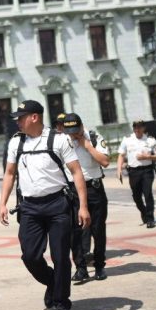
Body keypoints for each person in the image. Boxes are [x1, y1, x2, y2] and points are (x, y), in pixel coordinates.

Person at [0, 100, 90, 310]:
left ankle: (61, 304)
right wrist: (2, 203)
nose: (17, 121)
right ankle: (52, 282)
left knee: (60, 256)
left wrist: (83, 206)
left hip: (57, 205)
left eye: (21, 117)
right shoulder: (16, 143)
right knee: (30, 256)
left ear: (34, 117)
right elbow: (9, 174)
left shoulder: (58, 140)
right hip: (29, 207)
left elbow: (76, 172)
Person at [60, 114, 110, 282]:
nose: (74, 135)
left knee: (98, 230)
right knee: (75, 231)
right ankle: (81, 268)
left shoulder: (94, 137)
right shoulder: (63, 141)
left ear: (82, 126)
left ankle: (99, 266)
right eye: (70, 132)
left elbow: (105, 161)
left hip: (94, 189)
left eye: (76, 131)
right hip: (73, 191)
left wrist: (87, 146)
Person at [116, 120, 156, 228]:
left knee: (147, 193)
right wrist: (118, 169)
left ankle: (150, 219)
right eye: (135, 127)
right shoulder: (127, 140)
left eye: (139, 127)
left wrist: (147, 157)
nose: (137, 129)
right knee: (136, 196)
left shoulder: (150, 140)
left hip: (147, 171)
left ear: (144, 128)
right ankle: (144, 212)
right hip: (133, 172)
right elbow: (121, 155)